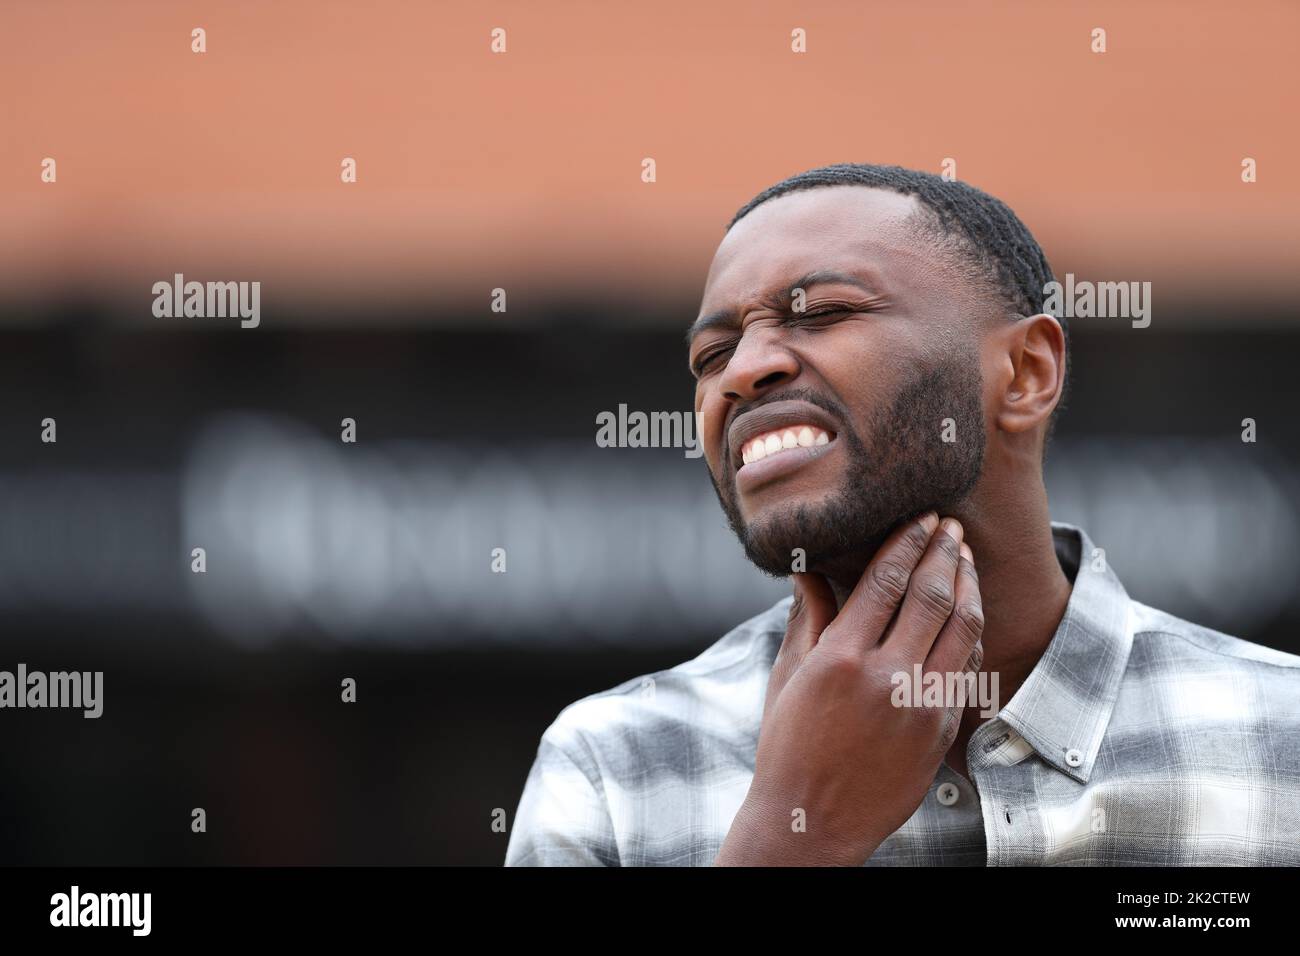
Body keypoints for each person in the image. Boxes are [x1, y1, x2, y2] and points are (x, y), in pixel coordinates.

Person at [504, 163, 1300, 866]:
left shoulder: (1281, 736)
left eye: (820, 313)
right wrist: (798, 838)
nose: (742, 372)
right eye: (711, 356)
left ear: (1024, 373)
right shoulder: (614, 766)